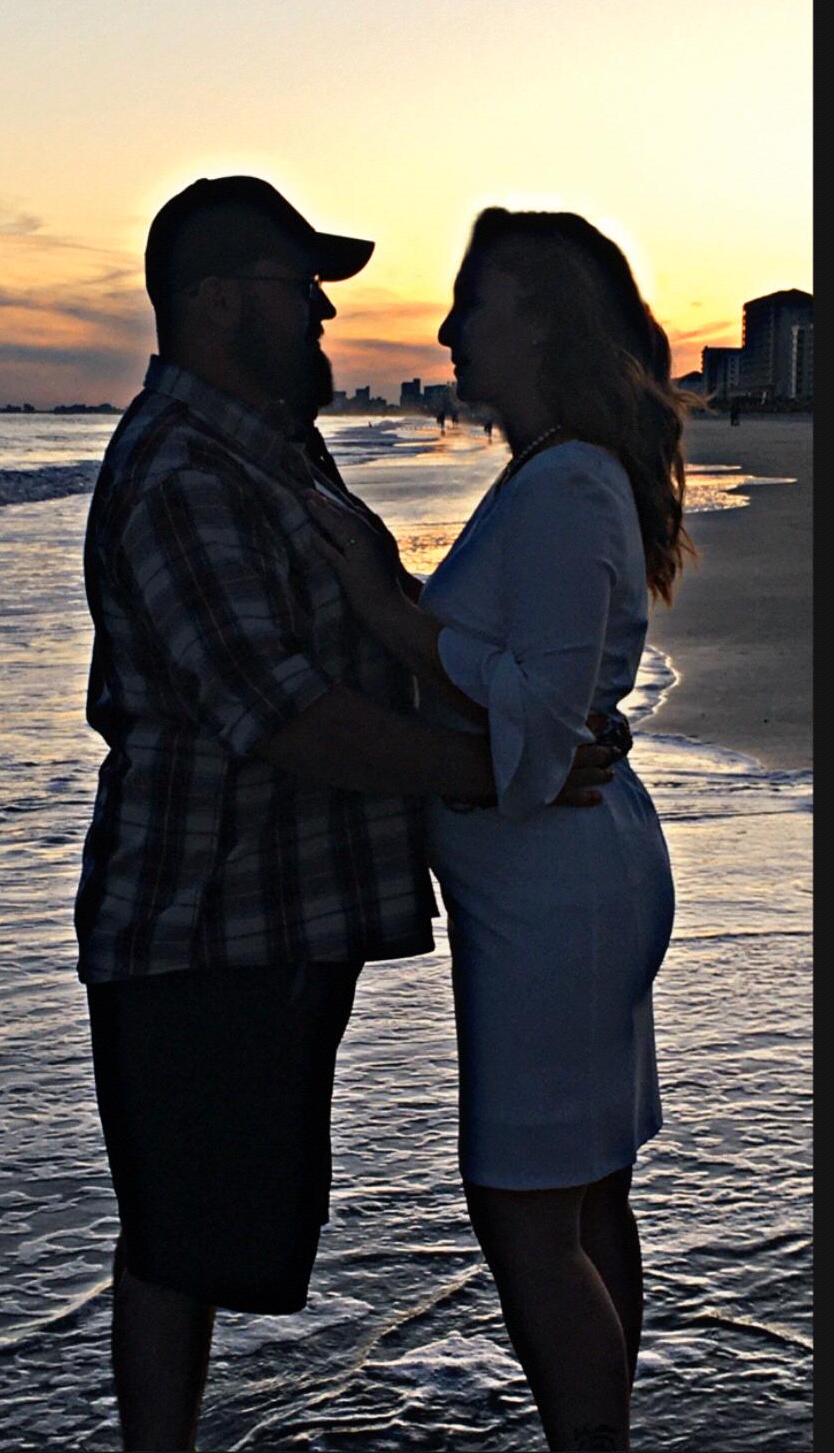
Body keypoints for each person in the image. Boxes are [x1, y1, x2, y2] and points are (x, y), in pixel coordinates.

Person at [74, 178, 620, 1452]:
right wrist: (502, 767)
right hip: (201, 929)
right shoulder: (183, 471)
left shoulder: (270, 445)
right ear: (217, 301)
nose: (323, 310)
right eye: (299, 285)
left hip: (274, 919)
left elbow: (368, 634)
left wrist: (529, 706)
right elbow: (289, 715)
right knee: (177, 1244)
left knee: (212, 1231)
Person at [307, 206, 690, 1452]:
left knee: (525, 1210)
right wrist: (408, 604)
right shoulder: (554, 473)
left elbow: (541, 704)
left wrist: (388, 610)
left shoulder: (569, 481)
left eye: (473, 304)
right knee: (581, 1195)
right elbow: (533, 674)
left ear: (541, 323)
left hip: (553, 895)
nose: (446, 330)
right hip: (558, 883)